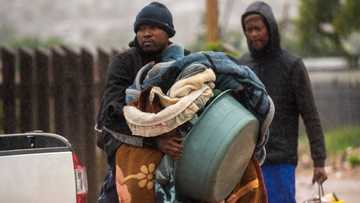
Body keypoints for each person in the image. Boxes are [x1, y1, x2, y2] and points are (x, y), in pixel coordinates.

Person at [95, 2, 185, 203]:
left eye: (153, 28)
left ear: (168, 32)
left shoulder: (184, 61)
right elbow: (112, 117)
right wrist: (155, 142)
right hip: (128, 155)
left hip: (175, 159)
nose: (146, 34)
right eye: (141, 29)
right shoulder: (124, 62)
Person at [238, 1, 328, 203]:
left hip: (280, 161)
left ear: (270, 28)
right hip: (247, 161)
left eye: (257, 29)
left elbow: (310, 115)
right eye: (248, 30)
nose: (253, 34)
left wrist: (319, 161)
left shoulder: (292, 66)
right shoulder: (242, 67)